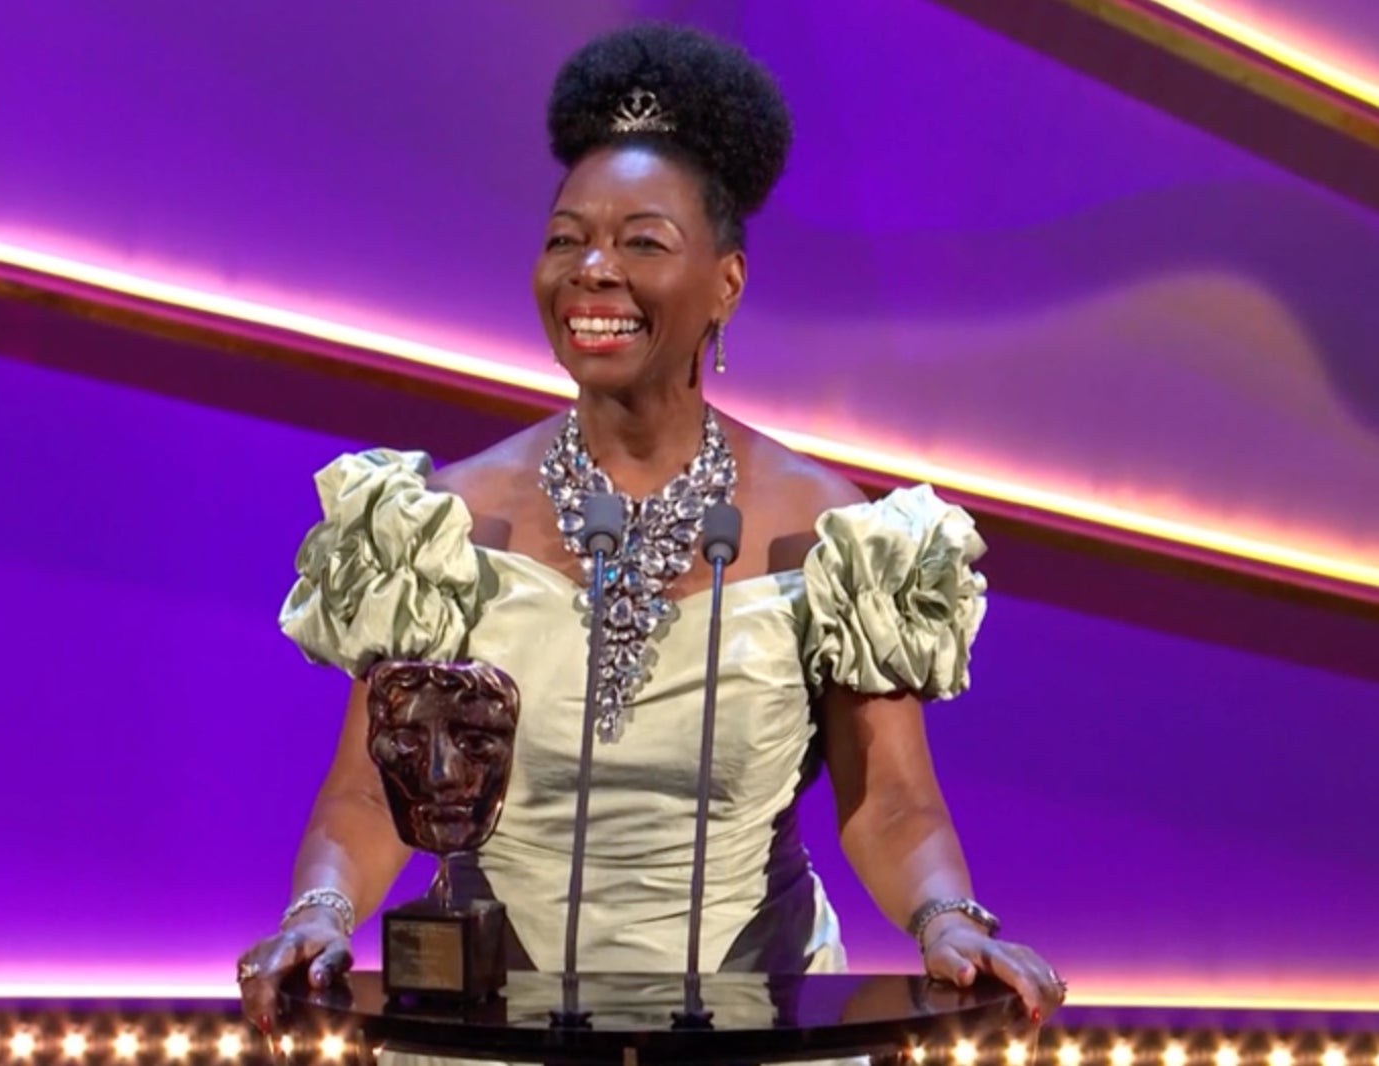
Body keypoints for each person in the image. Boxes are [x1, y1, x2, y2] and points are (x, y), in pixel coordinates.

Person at [236, 19, 1066, 1046]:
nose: (591, 268)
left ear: (726, 282)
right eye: (563, 237)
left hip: (751, 1030)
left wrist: (947, 918)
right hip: (496, 1029)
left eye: (640, 241)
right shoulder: (440, 521)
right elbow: (367, 794)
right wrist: (315, 913)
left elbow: (891, 803)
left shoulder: (827, 529)